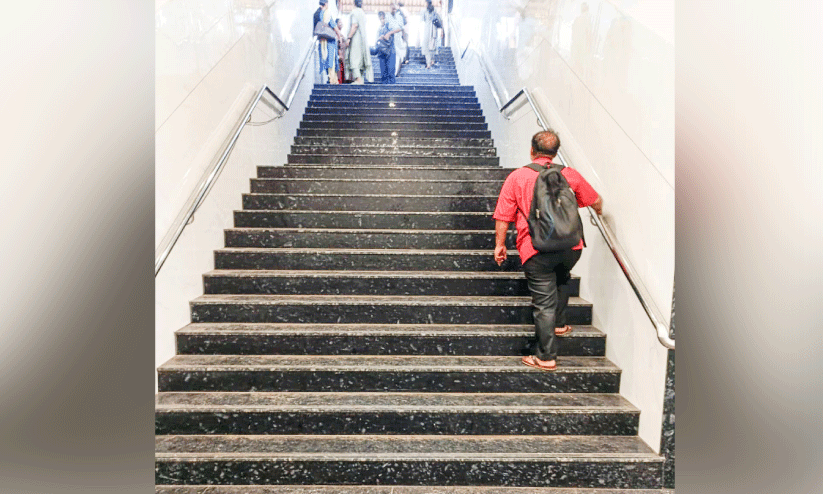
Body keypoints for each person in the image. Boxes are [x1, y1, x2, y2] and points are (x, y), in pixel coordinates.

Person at [492, 130, 603, 371]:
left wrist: (500, 244)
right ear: (555, 152)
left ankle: (545, 356)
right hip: (571, 246)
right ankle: (560, 324)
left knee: (543, 301)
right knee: (562, 278)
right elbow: (595, 200)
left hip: (536, 247)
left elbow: (503, 216)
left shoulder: (518, 177)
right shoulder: (568, 174)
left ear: (532, 150)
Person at [346, 0, 373, 84]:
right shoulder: (362, 13)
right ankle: (360, 78)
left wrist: (349, 37)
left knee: (354, 58)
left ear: (354, 3)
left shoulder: (354, 12)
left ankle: (358, 79)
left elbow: (355, 25)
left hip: (355, 39)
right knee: (361, 59)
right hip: (362, 40)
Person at [314, 0, 338, 84]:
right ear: (326, 4)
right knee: (331, 60)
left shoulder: (317, 13)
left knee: (325, 59)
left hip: (322, 40)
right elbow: (334, 25)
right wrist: (339, 35)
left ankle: (329, 78)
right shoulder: (327, 13)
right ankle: (332, 79)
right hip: (329, 40)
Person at [377, 11, 402, 84]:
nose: (382, 20)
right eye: (380, 19)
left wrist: (389, 33)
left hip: (390, 50)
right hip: (382, 51)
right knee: (383, 74)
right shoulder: (379, 28)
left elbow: (399, 28)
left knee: (391, 72)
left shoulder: (390, 25)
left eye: (383, 18)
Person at [420, 0, 441, 69]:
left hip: (427, 30)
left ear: (426, 3)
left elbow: (422, 20)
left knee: (426, 46)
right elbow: (439, 19)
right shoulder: (435, 10)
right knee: (432, 45)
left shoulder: (424, 11)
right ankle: (432, 60)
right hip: (434, 30)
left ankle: (428, 63)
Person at [390, 2, 408, 66]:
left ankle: (398, 69)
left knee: (398, 54)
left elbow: (402, 26)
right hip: (396, 36)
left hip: (398, 36)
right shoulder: (391, 16)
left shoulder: (399, 14)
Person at [336, 18, 349, 83]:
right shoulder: (337, 33)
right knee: (340, 67)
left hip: (343, 53)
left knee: (342, 67)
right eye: (339, 23)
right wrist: (340, 53)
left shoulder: (341, 33)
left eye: (341, 23)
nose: (341, 24)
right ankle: (340, 81)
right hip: (339, 53)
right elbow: (338, 43)